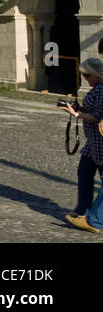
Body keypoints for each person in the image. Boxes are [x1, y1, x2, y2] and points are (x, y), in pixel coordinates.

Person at [65, 57, 103, 230]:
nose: (85, 78)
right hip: (92, 142)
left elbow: (97, 117)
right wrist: (78, 109)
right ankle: (83, 209)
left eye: (87, 75)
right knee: (84, 171)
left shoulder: (102, 89)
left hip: (100, 141)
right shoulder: (97, 88)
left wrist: (76, 114)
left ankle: (95, 220)